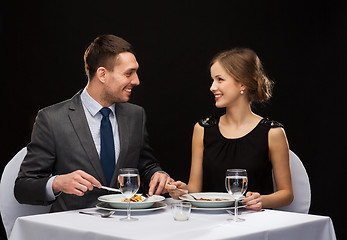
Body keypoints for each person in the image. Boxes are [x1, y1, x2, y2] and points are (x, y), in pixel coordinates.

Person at [14, 34, 172, 212]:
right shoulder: (51, 119)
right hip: (73, 230)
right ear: (102, 74)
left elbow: (146, 165)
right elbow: (23, 188)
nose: (136, 81)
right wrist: (57, 183)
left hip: (126, 225)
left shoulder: (136, 115)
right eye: (129, 73)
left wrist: (158, 175)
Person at [167, 48, 293, 210]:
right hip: (211, 221)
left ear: (243, 83)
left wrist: (260, 200)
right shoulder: (202, 129)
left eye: (220, 79)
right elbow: (195, 189)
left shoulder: (272, 132)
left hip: (255, 223)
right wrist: (182, 190)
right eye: (212, 80)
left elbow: (287, 194)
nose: (212, 87)